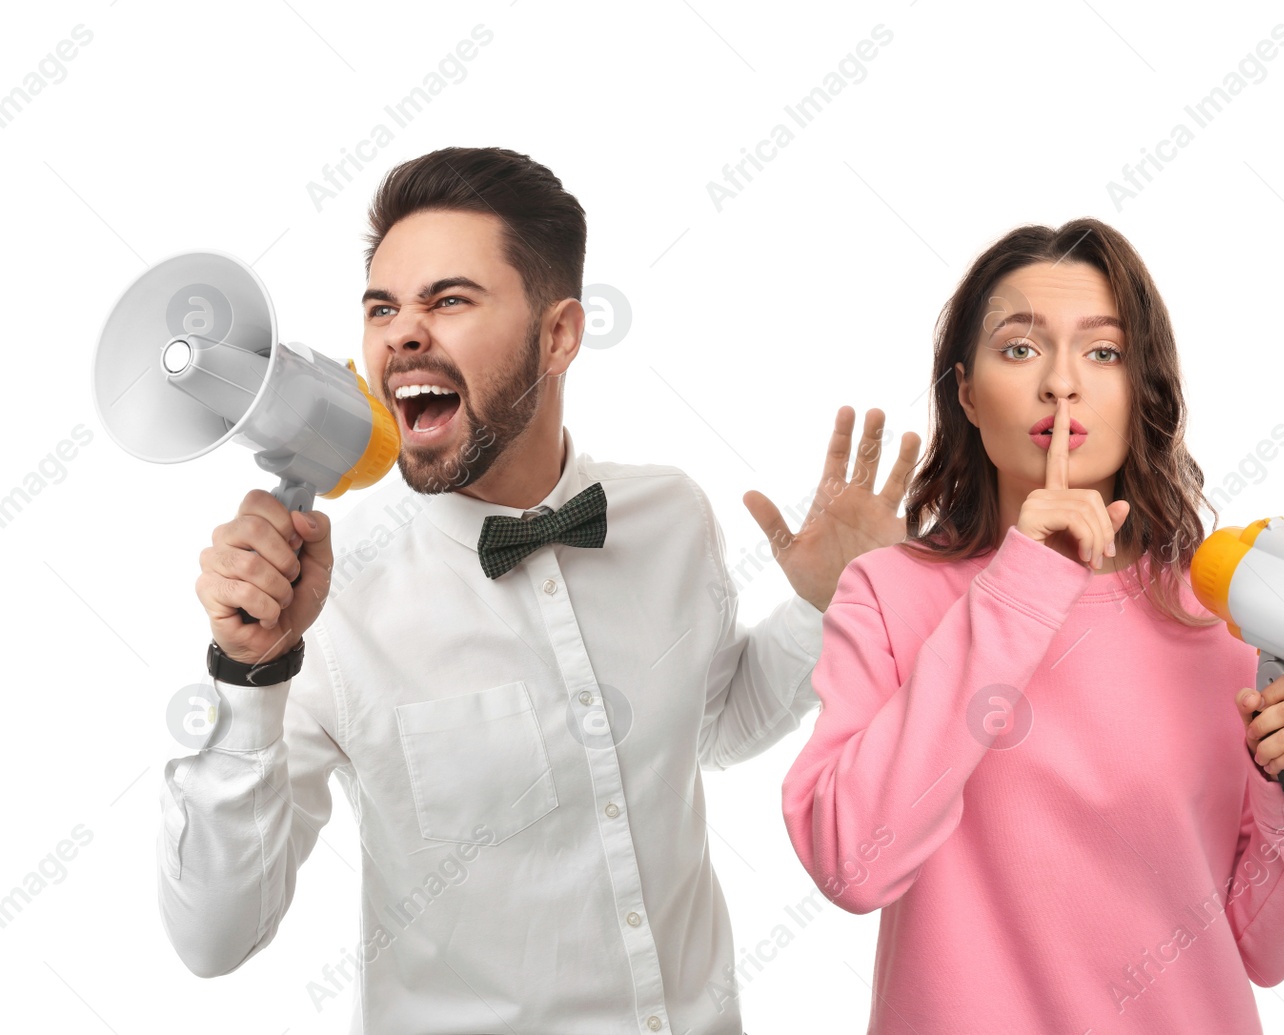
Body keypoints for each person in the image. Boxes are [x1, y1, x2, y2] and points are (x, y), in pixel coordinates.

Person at [158, 145, 921, 1034]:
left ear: (558, 334)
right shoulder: (332, 599)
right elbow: (212, 938)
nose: (403, 332)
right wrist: (248, 674)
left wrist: (825, 605)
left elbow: (712, 726)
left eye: (448, 300)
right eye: (383, 307)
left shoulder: (671, 515)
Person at [781, 218, 1284, 1034]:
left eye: (1104, 352)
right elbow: (848, 861)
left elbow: (1264, 949)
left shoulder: (1222, 611)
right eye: (1019, 349)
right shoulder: (889, 593)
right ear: (966, 393)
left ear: (1142, 389)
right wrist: (1022, 585)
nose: (1062, 384)